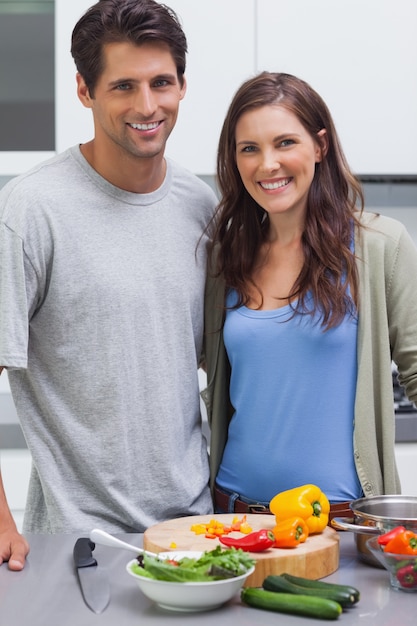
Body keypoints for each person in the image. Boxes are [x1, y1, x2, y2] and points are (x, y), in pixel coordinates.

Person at [0, 0, 217, 571]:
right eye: (123, 86)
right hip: (78, 548)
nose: (147, 106)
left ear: (182, 86)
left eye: (161, 83)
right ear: (84, 90)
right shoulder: (32, 209)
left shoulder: (201, 206)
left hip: (196, 534)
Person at [202, 71, 417, 519]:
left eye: (285, 143)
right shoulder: (227, 258)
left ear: (319, 146)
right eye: (249, 149)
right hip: (233, 516)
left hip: (342, 523)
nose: (267, 164)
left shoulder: (379, 246)